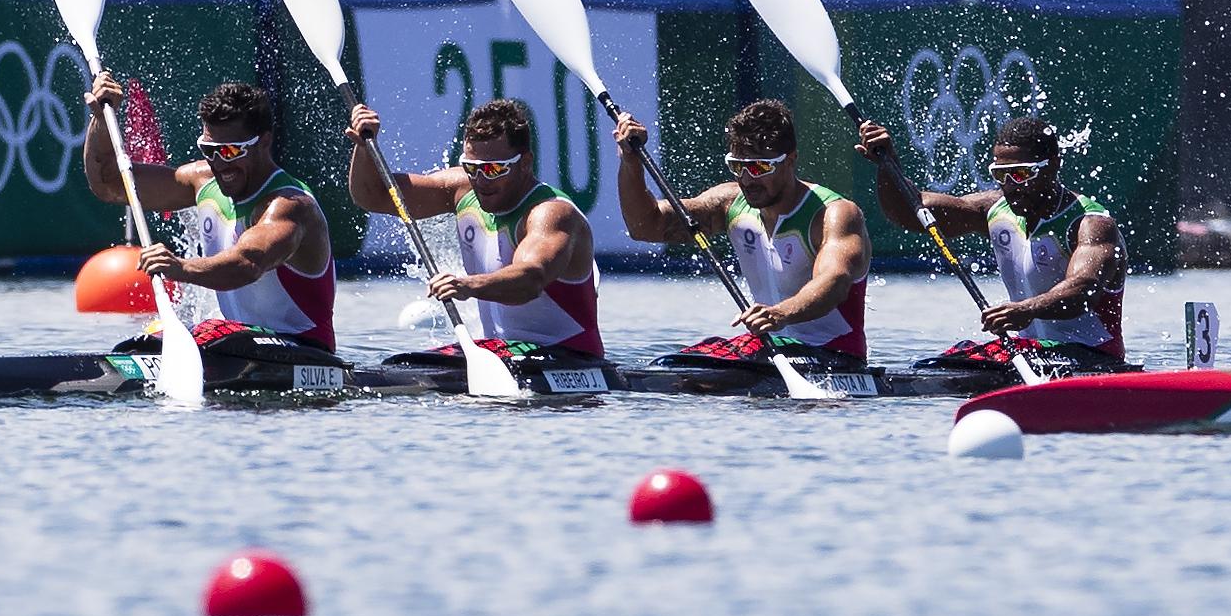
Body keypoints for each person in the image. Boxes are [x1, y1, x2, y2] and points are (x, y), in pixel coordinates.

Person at [80, 71, 338, 363]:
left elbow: (248, 264)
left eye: (229, 151)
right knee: (141, 345)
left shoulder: (288, 205)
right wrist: (101, 118)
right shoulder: (202, 182)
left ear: (264, 142)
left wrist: (180, 267)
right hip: (238, 343)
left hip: (305, 350)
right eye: (209, 150)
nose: (219, 163)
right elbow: (109, 183)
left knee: (209, 332)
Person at [852, 112, 1126, 380]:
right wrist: (887, 165)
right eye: (1001, 175)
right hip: (1029, 353)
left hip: (1092, 356)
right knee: (945, 360)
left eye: (1021, 174)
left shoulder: (1091, 224)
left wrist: (1026, 310)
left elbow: (1083, 290)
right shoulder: (993, 210)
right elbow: (909, 211)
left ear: (1053, 165)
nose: (1010, 186)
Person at [613, 98, 869, 373]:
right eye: (737, 166)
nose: (747, 179)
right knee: (672, 368)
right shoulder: (729, 203)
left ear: (790, 160)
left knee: (698, 377)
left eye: (759, 168)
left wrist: (780, 313)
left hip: (833, 353)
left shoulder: (834, 214)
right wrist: (631, 163)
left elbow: (835, 283)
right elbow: (645, 227)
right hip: (770, 347)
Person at [345, 96, 606, 366]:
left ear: (525, 163)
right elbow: (371, 196)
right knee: (402, 364)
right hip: (501, 351)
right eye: (472, 168)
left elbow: (530, 280)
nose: (481, 180)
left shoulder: (550, 213)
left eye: (494, 169)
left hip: (568, 356)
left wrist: (466, 285)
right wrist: (364, 147)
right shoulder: (461, 189)